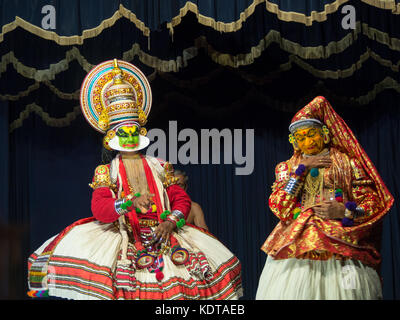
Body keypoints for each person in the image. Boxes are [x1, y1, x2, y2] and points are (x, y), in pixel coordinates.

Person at [27, 59, 242, 300]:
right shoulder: (106, 172)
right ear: (110, 137)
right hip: (127, 239)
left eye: (132, 130)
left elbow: (181, 200)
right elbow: (100, 210)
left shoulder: (160, 166)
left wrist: (170, 222)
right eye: (123, 132)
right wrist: (127, 203)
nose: (129, 136)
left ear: (140, 131)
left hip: (166, 237)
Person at [256, 96, 393, 300]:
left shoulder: (347, 163)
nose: (308, 142)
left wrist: (345, 210)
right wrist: (301, 172)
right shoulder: (287, 168)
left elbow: (373, 203)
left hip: (342, 241)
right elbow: (280, 208)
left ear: (325, 134)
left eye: (312, 135)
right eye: (300, 138)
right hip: (298, 240)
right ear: (294, 141)